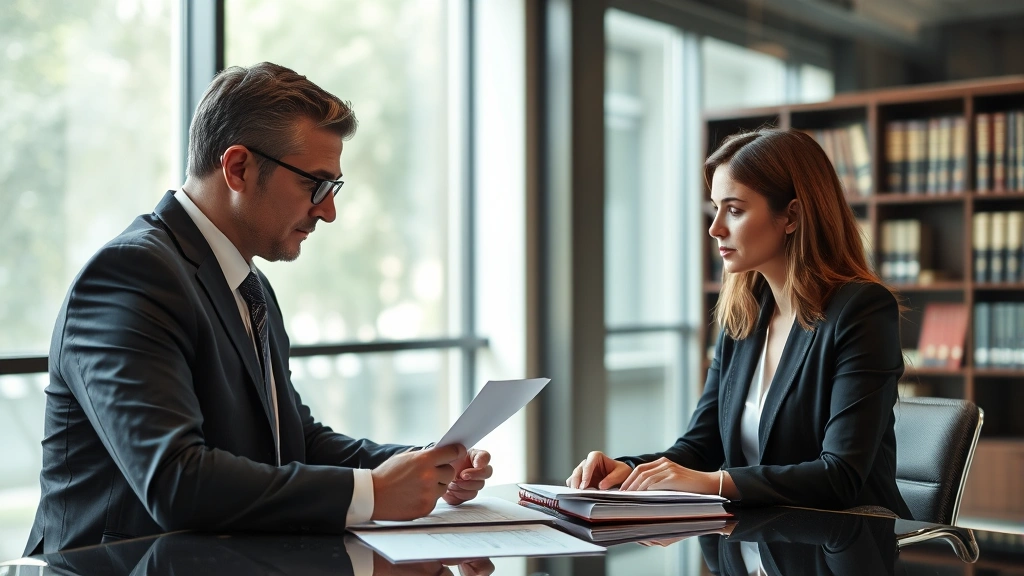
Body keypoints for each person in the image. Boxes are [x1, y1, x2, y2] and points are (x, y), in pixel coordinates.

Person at [25, 62, 492, 555]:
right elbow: (176, 480)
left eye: (333, 188)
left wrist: (421, 467)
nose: (327, 210)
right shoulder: (131, 275)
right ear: (238, 168)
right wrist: (375, 493)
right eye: (315, 184)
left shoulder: (249, 285)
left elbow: (293, 441)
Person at [568, 128, 912, 518]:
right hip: (758, 539)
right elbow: (701, 447)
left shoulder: (861, 310)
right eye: (715, 208)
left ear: (792, 216)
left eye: (734, 209)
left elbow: (840, 476)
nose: (715, 228)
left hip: (844, 545)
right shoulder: (743, 315)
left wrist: (714, 483)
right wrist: (627, 472)